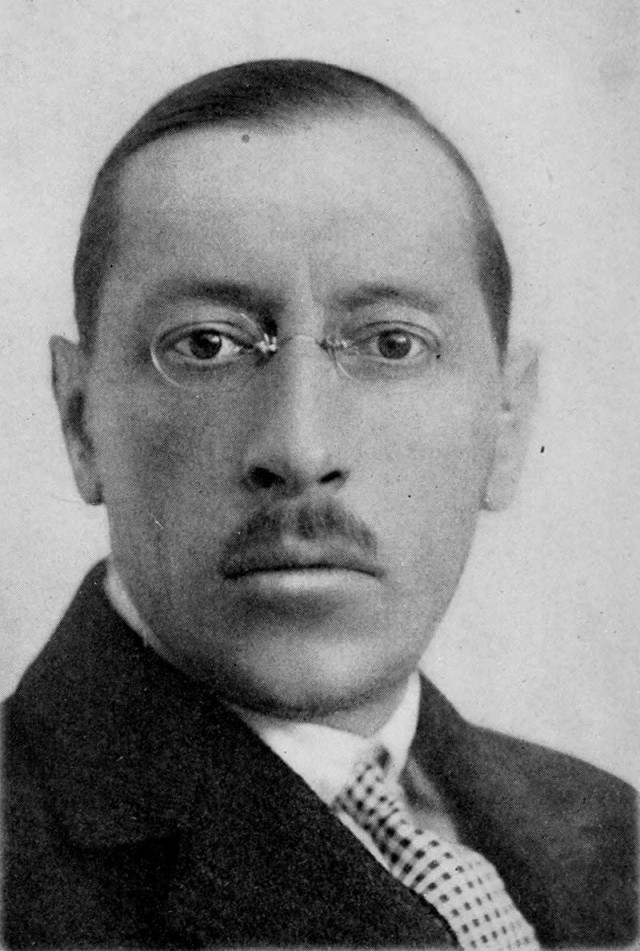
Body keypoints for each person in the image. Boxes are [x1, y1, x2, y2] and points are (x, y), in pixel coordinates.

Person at [2, 59, 636, 949]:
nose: (301, 450)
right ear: (80, 421)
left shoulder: (612, 830)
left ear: (505, 421)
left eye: (392, 343)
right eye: (207, 344)